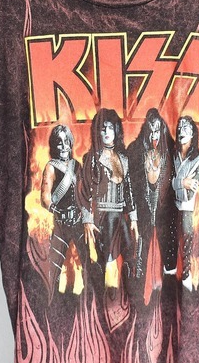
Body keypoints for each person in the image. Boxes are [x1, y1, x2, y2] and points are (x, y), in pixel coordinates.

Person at [79, 108, 139, 288]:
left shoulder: (123, 158)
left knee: (130, 254)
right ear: (97, 131)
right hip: (102, 216)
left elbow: (128, 190)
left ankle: (125, 291)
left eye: (110, 128)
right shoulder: (91, 158)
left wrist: (133, 218)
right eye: (103, 128)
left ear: (116, 130)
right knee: (106, 259)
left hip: (120, 215)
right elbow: (84, 191)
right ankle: (105, 293)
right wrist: (87, 220)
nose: (106, 132)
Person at [127, 108, 178, 302]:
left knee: (170, 257)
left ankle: (170, 297)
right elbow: (129, 185)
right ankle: (138, 297)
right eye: (151, 130)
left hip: (166, 213)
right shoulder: (135, 150)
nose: (154, 135)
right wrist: (133, 212)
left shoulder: (172, 151)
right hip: (143, 212)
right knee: (140, 254)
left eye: (157, 130)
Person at [40, 124, 87, 299]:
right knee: (55, 265)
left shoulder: (77, 166)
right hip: (61, 223)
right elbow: (45, 197)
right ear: (54, 145)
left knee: (87, 261)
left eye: (66, 142)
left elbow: (84, 193)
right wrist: (57, 211)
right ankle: (52, 300)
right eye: (59, 142)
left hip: (79, 222)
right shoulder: (51, 167)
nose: (63, 146)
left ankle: (87, 299)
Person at [172, 115, 199, 291]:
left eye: (186, 127)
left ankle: (186, 275)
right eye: (180, 127)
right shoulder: (172, 156)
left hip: (187, 210)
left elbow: (188, 193)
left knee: (186, 242)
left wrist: (174, 184)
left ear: (193, 133)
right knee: (170, 245)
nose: (182, 131)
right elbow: (164, 184)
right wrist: (181, 182)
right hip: (170, 208)